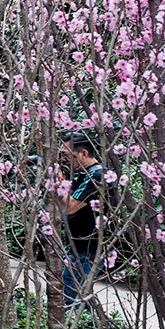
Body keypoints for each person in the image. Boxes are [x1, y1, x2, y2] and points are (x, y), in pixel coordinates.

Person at [58, 131, 105, 307]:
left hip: (87, 250)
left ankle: (77, 324)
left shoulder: (96, 176)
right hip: (80, 248)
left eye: (65, 154)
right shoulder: (85, 175)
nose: (62, 160)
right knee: (80, 297)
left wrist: (57, 180)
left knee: (72, 299)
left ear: (83, 153)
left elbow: (70, 207)